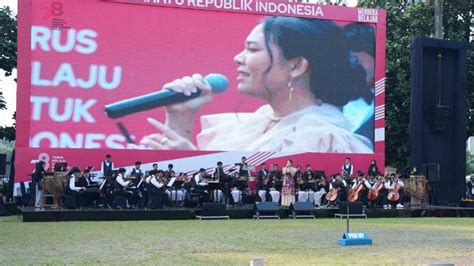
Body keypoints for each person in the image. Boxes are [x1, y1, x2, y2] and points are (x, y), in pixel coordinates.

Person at [137, 16, 372, 153]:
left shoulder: (326, 138)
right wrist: (181, 117)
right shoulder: (254, 123)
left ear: (296, 66)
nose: (238, 58)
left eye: (252, 49)